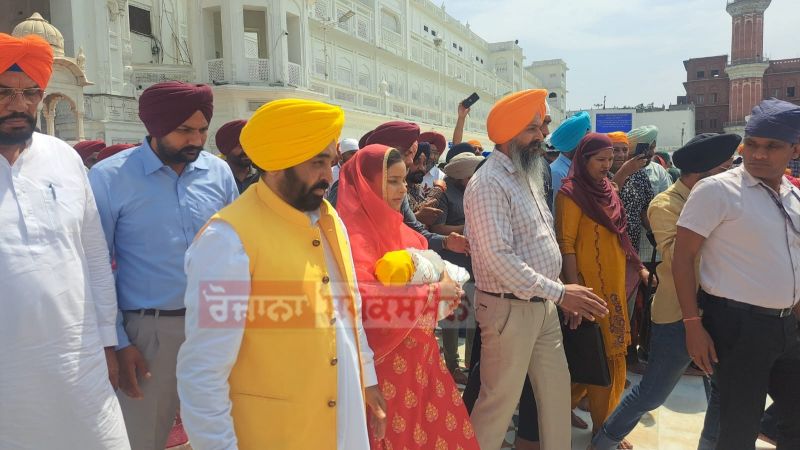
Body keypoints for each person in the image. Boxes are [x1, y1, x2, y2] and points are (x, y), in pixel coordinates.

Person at [177, 99, 384, 449]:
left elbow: (349, 313)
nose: (328, 176)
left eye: (330, 162)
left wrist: (368, 378)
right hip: (273, 433)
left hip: (342, 422)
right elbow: (202, 374)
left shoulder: (329, 218)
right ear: (276, 164)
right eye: (317, 163)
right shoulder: (227, 241)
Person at [89, 80, 239, 449]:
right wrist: (118, 343)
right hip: (148, 333)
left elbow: (238, 250)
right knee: (143, 437)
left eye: (203, 130)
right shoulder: (109, 178)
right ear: (154, 128)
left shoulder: (218, 175)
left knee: (223, 430)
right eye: (184, 130)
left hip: (216, 325)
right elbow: (95, 266)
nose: (196, 140)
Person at [0, 32, 129, 449]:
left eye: (30, 93)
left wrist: (109, 341)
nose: (17, 104)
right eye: (3, 91)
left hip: (79, 364)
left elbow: (93, 255)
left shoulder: (65, 158)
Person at [465, 89, 609, 450]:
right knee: (497, 407)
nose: (542, 135)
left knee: (557, 396)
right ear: (508, 132)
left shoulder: (527, 173)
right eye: (532, 128)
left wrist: (558, 295)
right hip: (507, 309)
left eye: (541, 126)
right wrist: (561, 293)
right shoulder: (488, 183)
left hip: (542, 306)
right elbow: (499, 258)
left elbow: (539, 243)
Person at [589, 133, 740, 450]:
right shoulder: (666, 205)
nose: (732, 176)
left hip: (719, 311)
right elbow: (677, 259)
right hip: (677, 317)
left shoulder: (721, 202)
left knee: (723, 390)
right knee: (653, 392)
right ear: (705, 172)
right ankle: (605, 441)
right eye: (726, 169)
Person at [673, 98, 800, 450]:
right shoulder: (717, 190)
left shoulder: (792, 196)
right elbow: (682, 258)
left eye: (772, 147)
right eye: (753, 145)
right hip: (737, 329)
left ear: (794, 148)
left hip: (787, 327)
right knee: (737, 431)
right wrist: (691, 324)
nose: (759, 154)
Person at [335, 143, 478, 449]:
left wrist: (442, 288)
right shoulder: (349, 239)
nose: (402, 190)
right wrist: (434, 292)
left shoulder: (407, 233)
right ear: (366, 183)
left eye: (403, 180)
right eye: (392, 181)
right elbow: (366, 305)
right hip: (381, 371)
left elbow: (442, 280)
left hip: (423, 362)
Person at [555, 133, 648, 440]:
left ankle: (602, 425)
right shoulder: (570, 193)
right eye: (600, 160)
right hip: (587, 289)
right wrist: (573, 290)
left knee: (611, 356)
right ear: (583, 160)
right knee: (591, 356)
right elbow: (566, 244)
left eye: (610, 160)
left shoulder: (608, 190)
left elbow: (620, 236)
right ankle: (599, 428)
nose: (607, 167)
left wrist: (638, 266)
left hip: (614, 286)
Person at [367, 121, 469, 255]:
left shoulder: (402, 191)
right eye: (408, 153)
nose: (410, 161)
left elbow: (416, 229)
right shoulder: (347, 188)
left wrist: (446, 242)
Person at [429, 153, 484, 382]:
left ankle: (471, 363)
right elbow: (435, 226)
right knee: (452, 317)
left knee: (471, 315)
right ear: (462, 174)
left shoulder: (471, 191)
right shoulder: (442, 193)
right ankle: (452, 366)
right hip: (451, 263)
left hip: (471, 263)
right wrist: (466, 228)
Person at [549, 111, 591, 206]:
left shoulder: (579, 168)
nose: (589, 146)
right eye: (586, 142)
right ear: (574, 142)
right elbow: (557, 211)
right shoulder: (557, 172)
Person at [216, 119, 259, 193]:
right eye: (240, 146)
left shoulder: (264, 176)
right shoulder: (215, 177)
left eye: (250, 145)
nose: (246, 150)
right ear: (226, 148)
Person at [628, 125, 672, 195]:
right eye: (648, 148)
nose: (652, 153)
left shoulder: (658, 171)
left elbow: (667, 199)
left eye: (653, 148)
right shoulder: (621, 170)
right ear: (633, 149)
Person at [327, 137, 359, 207]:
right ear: (341, 156)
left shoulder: (359, 174)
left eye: (358, 153)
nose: (356, 156)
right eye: (352, 153)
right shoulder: (330, 173)